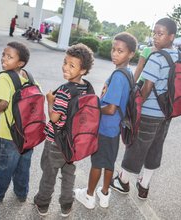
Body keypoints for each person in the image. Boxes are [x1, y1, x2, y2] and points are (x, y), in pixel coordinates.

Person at [110, 17, 178, 200]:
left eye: (161, 34)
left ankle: (122, 181)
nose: (156, 37)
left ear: (171, 36)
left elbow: (146, 88)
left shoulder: (156, 57)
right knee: (155, 148)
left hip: (149, 113)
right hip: (166, 113)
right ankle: (144, 186)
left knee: (137, 146)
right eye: (154, 33)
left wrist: (133, 107)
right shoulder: (176, 55)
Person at [74, 32, 137, 209]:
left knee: (97, 163)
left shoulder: (118, 76)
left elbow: (110, 108)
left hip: (105, 128)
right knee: (109, 163)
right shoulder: (127, 72)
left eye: (121, 51)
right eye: (113, 49)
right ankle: (104, 194)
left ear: (131, 54)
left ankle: (88, 197)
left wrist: (91, 108)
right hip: (115, 129)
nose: (115, 54)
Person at [33, 43, 94, 217]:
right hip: (74, 142)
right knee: (68, 174)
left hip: (56, 142)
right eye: (65, 62)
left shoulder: (64, 91)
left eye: (71, 65)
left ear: (82, 70)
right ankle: (66, 205)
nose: (65, 67)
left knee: (49, 174)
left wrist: (50, 100)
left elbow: (54, 118)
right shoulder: (87, 88)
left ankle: (42, 203)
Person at [0, 41, 33, 202]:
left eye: (10, 57)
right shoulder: (28, 76)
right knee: (23, 165)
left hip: (10, 132)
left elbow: (3, 103)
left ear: (20, 62)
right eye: (4, 55)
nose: (4, 59)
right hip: (28, 132)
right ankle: (21, 193)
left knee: (5, 166)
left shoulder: (5, 77)